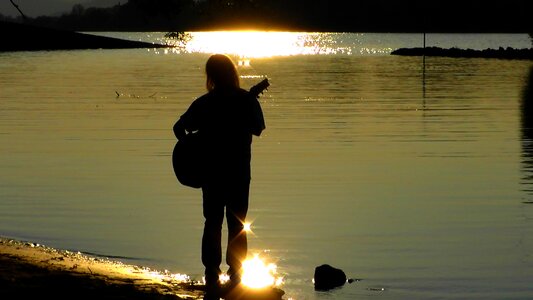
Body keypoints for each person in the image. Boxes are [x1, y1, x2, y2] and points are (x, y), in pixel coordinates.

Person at [173, 54, 266, 296]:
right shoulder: (246, 100)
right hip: (238, 172)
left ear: (211, 76)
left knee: (212, 222)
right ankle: (236, 275)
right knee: (237, 225)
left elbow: (178, 127)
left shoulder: (204, 102)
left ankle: (211, 274)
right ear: (232, 73)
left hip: (211, 173)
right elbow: (258, 129)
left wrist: (192, 145)